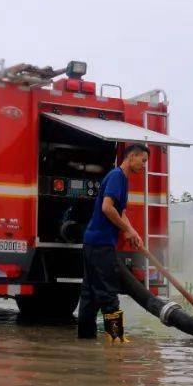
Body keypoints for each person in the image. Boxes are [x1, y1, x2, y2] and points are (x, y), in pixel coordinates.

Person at [77, 144, 148, 343]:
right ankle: (116, 340)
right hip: (100, 244)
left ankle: (85, 342)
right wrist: (126, 230)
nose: (143, 166)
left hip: (93, 242)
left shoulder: (121, 178)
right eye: (143, 161)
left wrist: (133, 232)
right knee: (108, 294)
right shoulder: (117, 176)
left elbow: (121, 212)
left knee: (90, 295)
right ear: (132, 156)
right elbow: (107, 208)